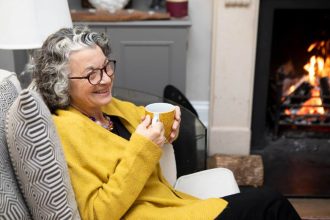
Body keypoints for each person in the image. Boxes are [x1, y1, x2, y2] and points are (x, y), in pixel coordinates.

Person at [31, 26, 301, 220]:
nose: (104, 79)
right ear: (62, 83)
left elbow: (144, 118)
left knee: (266, 202)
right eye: (91, 74)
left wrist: (169, 124)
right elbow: (97, 213)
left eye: (106, 67)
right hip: (152, 215)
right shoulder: (66, 132)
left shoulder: (107, 106)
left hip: (171, 205)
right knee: (270, 203)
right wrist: (144, 147)